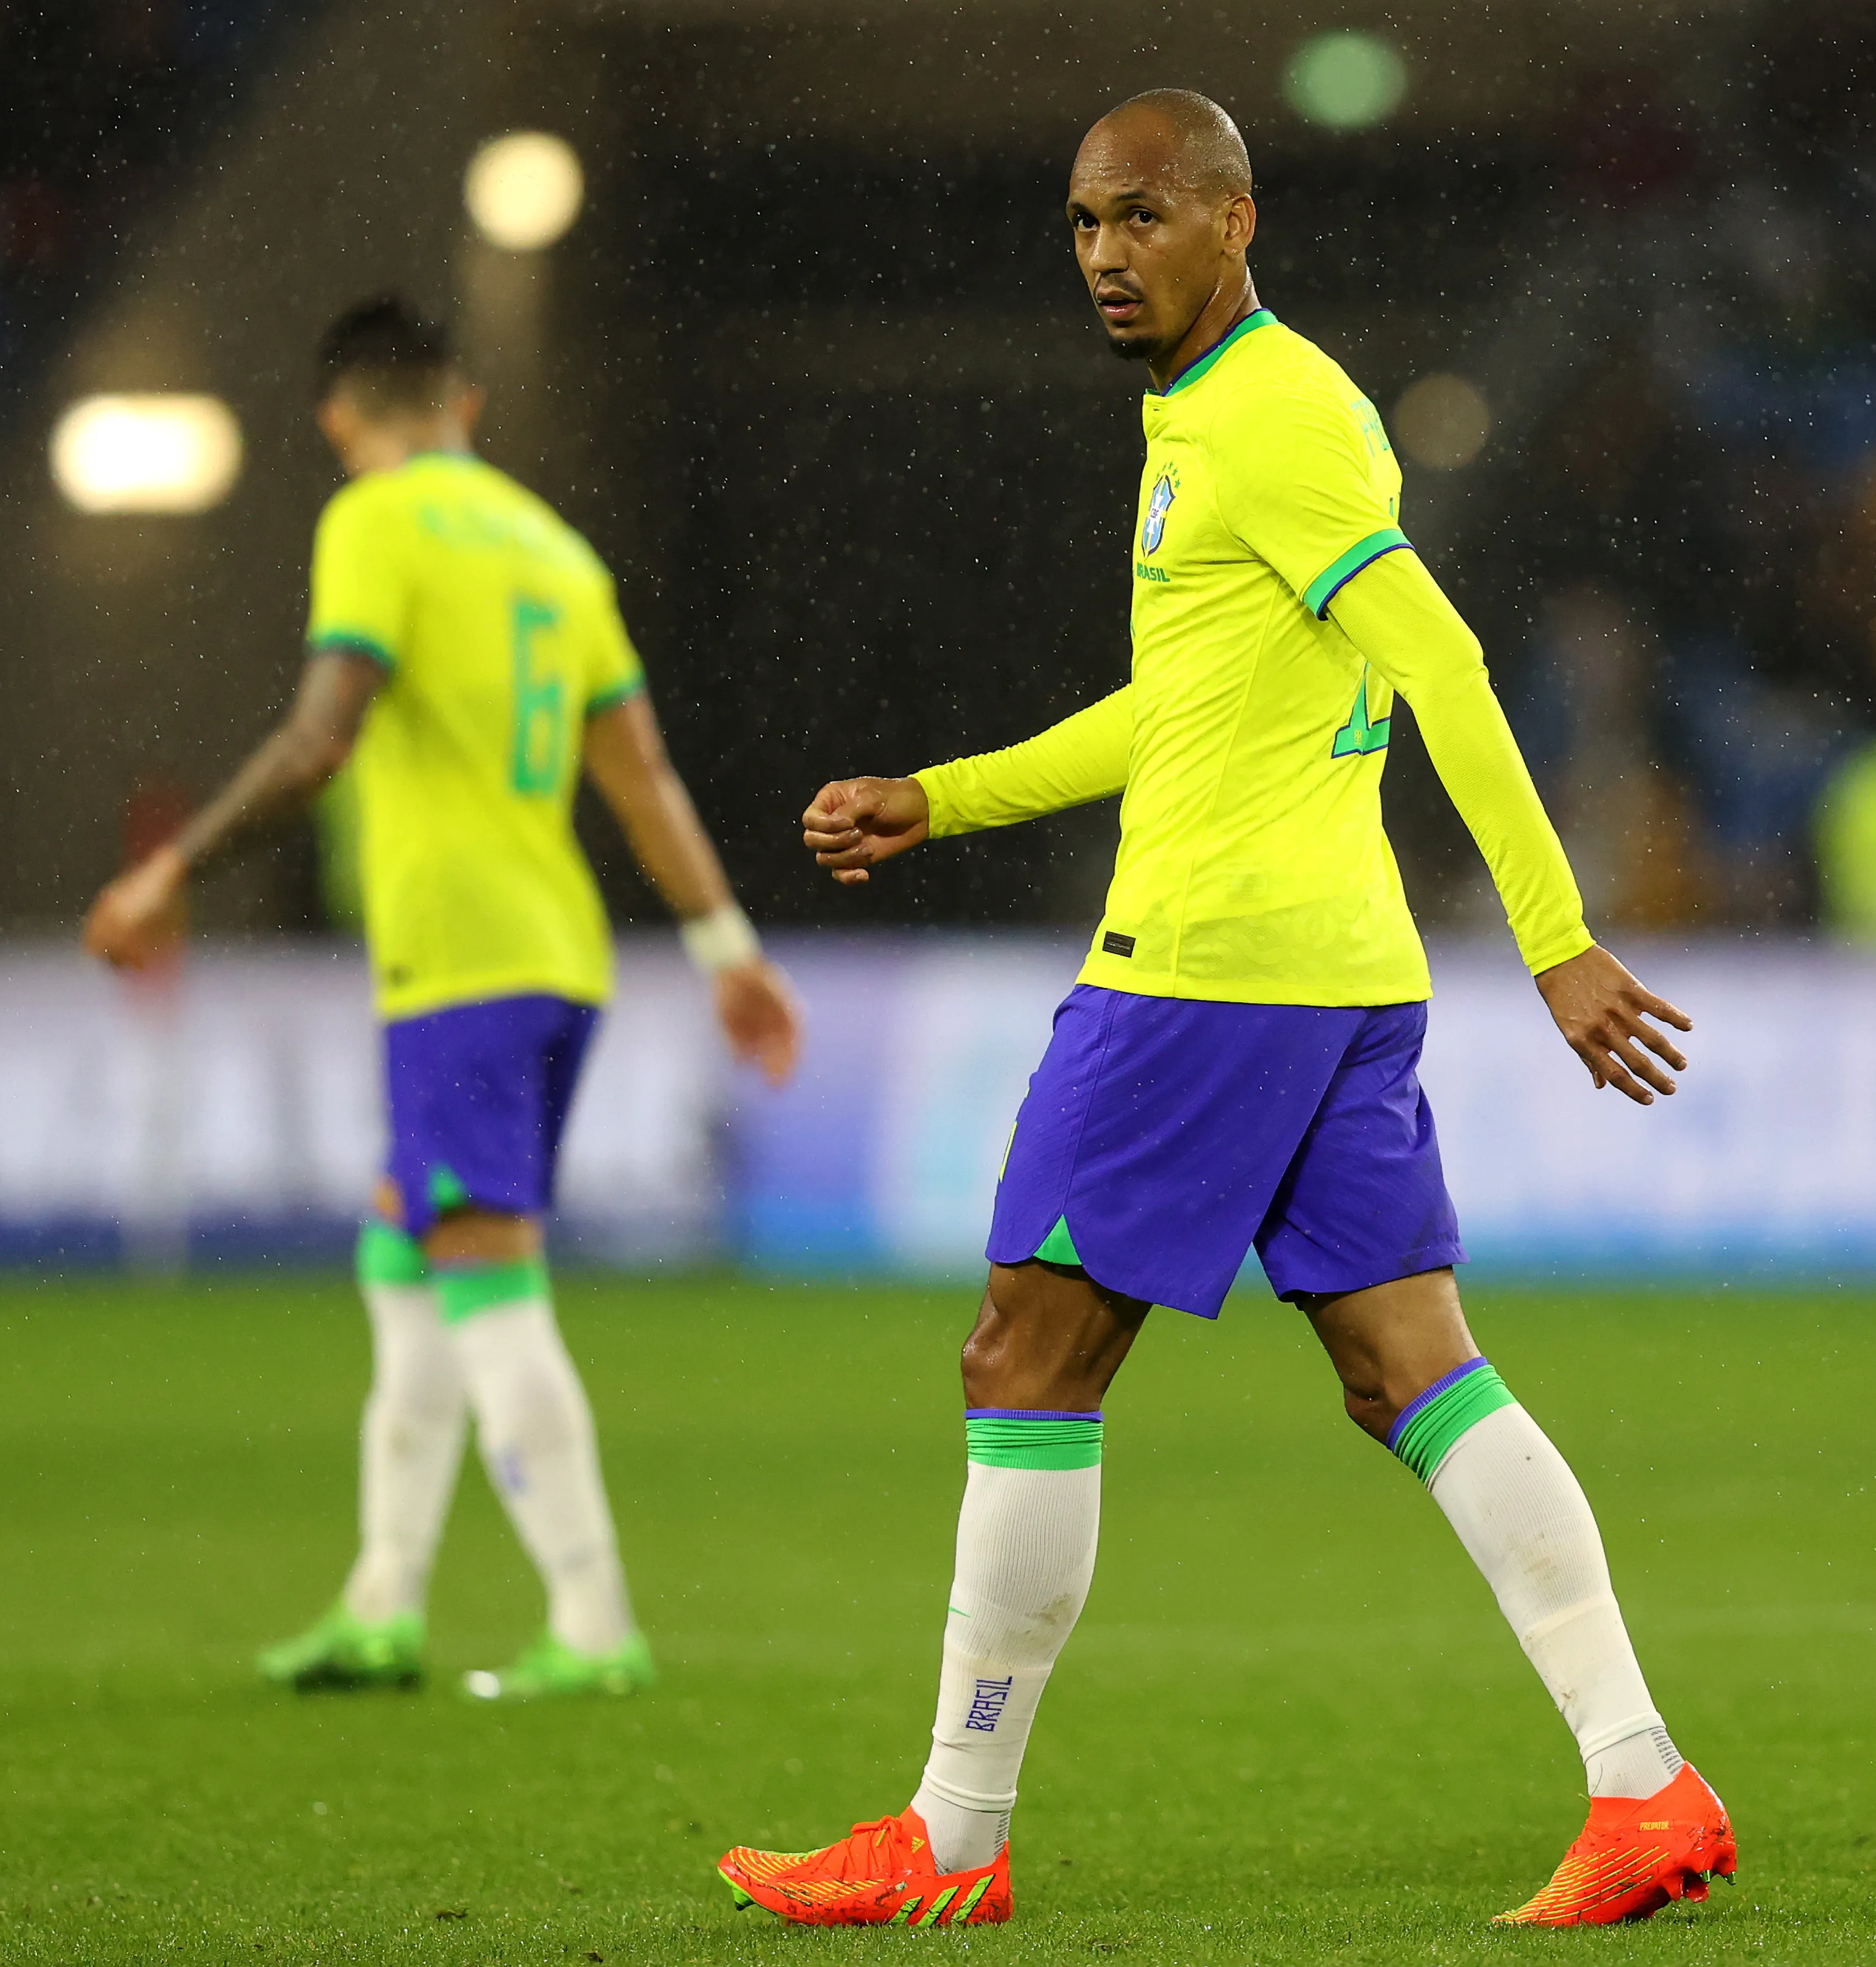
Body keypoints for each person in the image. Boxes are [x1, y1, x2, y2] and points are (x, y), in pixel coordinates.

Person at [717, 92, 1726, 1930]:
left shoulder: (1259, 417)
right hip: (1330, 975)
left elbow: (1446, 661)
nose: (1107, 255)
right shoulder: (1237, 416)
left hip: (1204, 978)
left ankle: (951, 1832)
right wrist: (945, 795)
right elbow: (1179, 711)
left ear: (1235, 222)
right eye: (1086, 224)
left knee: (1024, 1360)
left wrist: (1557, 936)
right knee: (1410, 1369)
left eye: (1145, 218)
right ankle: (1645, 1783)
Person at [83, 295, 801, 1701]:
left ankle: (593, 1626)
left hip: (463, 963)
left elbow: (318, 739)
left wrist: (172, 868)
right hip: (555, 956)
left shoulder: (378, 521)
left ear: (339, 420)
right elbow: (640, 771)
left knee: (486, 1280)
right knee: (402, 1260)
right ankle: (382, 1606)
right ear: (466, 403)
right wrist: (726, 948)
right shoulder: (557, 551)